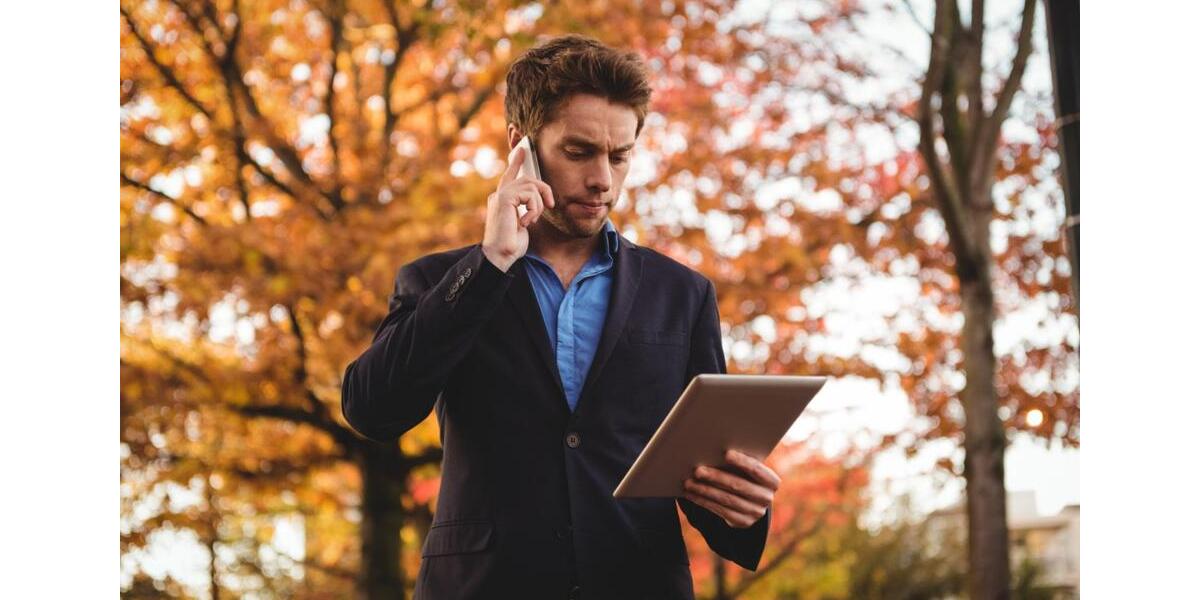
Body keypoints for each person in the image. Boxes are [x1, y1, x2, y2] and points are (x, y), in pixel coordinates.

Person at [341, 34, 780, 599]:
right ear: (520, 146)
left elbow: (702, 476)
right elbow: (372, 409)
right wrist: (492, 260)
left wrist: (742, 509)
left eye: (620, 157)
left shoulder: (684, 294)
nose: (603, 179)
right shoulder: (439, 283)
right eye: (579, 152)